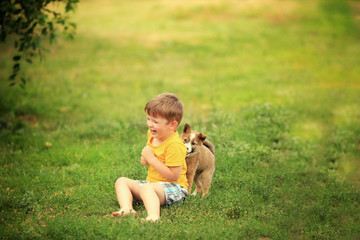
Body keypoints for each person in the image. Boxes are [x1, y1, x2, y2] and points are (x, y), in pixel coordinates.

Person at [112, 93, 188, 222]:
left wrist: (152, 159)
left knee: (147, 188)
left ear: (172, 125)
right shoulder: (153, 135)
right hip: (153, 185)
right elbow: (150, 153)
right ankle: (126, 208)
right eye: (149, 119)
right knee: (122, 181)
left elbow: (174, 175)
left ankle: (153, 217)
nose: (150, 124)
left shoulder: (175, 145)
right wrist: (146, 158)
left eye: (155, 121)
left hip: (175, 188)